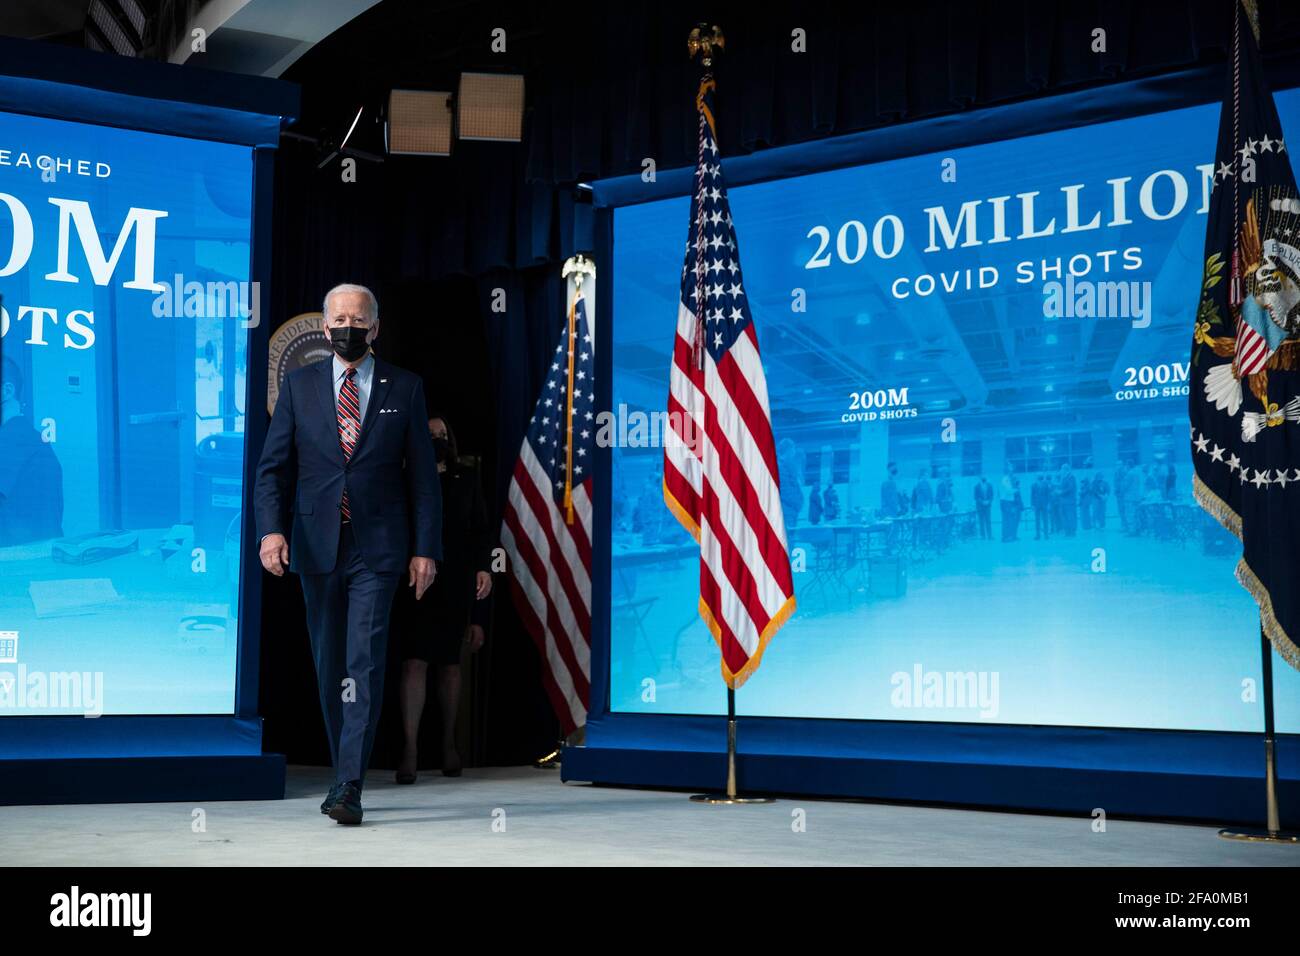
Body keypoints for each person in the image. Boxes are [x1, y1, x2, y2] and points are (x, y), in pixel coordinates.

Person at [255, 283, 441, 826]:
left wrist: (426, 549)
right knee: (329, 663)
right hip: (315, 545)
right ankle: (344, 770)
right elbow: (273, 470)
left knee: (364, 660)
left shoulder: (404, 388)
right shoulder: (298, 386)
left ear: (375, 328)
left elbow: (425, 482)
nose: (346, 327)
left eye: (356, 319)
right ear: (324, 325)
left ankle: (349, 784)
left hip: (378, 551)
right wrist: (271, 533)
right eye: (337, 318)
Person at [393, 416, 492, 783]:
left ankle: (449, 742)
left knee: (450, 664)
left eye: (441, 434)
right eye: (428, 433)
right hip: (415, 582)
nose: (435, 438)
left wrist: (484, 568)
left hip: (454, 580)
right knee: (413, 663)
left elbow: (480, 530)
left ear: (450, 440)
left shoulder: (465, 479)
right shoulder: (405, 480)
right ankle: (410, 748)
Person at [0, 358, 63, 546]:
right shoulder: (32, 437)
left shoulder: (11, 440)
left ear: (7, 391)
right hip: (42, 553)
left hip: (17, 559)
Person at [999, 463, 1021, 542]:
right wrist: (1016, 489)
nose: (1012, 472)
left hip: (1009, 502)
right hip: (1006, 502)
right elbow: (1008, 491)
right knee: (1006, 519)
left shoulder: (1009, 479)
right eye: (1010, 470)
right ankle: (1005, 537)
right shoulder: (1005, 480)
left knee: (1009, 519)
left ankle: (1009, 536)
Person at [1031, 473, 1051, 540]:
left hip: (1044, 504)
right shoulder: (1033, 485)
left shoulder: (1046, 485)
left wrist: (1048, 504)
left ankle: (1046, 534)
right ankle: (1038, 535)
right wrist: (1032, 505)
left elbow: (1048, 495)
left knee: (1045, 520)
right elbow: (1032, 496)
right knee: (1037, 520)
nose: (1039, 479)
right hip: (1037, 505)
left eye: (1040, 478)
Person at [973, 474, 993, 539]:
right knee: (981, 521)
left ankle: (990, 536)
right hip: (980, 506)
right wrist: (982, 502)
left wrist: (988, 501)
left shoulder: (990, 486)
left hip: (988, 506)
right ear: (979, 477)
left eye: (984, 476)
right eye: (982, 476)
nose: (983, 477)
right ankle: (983, 536)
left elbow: (992, 495)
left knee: (988, 520)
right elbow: (975, 497)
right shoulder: (976, 487)